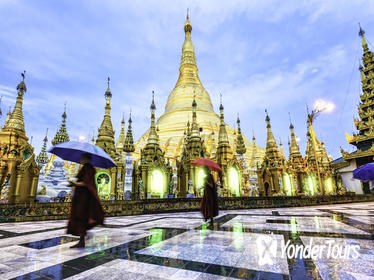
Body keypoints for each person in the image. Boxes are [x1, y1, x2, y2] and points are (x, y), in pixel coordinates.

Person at [68, 153, 104, 248]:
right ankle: (81, 240)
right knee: (81, 218)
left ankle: (81, 241)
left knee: (81, 217)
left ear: (86, 159)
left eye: (82, 158)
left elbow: (86, 182)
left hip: (83, 198)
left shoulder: (87, 168)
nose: (81, 159)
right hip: (82, 196)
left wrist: (75, 183)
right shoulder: (88, 168)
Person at [200, 165, 219, 229]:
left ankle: (212, 224)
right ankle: (210, 222)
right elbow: (206, 186)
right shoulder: (207, 177)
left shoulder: (210, 176)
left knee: (210, 208)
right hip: (206, 195)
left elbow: (211, 186)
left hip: (210, 196)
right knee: (204, 207)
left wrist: (206, 182)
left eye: (204, 170)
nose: (204, 172)